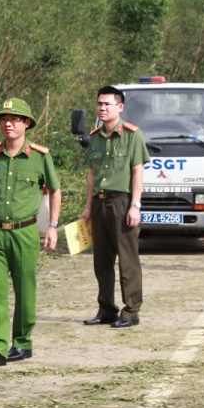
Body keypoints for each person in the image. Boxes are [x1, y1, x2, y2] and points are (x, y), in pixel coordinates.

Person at [0, 98, 61, 369]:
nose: (8, 123)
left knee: (24, 289)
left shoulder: (39, 157)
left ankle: (21, 342)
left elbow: (55, 190)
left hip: (25, 232)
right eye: (3, 119)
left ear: (26, 123)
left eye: (14, 119)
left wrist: (53, 226)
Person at [80, 85, 149, 328]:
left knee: (127, 259)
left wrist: (135, 206)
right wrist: (88, 206)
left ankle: (131, 311)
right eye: (99, 103)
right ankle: (106, 309)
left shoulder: (132, 135)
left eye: (107, 104)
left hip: (122, 202)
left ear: (120, 107)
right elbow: (91, 174)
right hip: (99, 203)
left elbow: (137, 170)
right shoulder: (95, 137)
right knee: (102, 260)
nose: (102, 108)